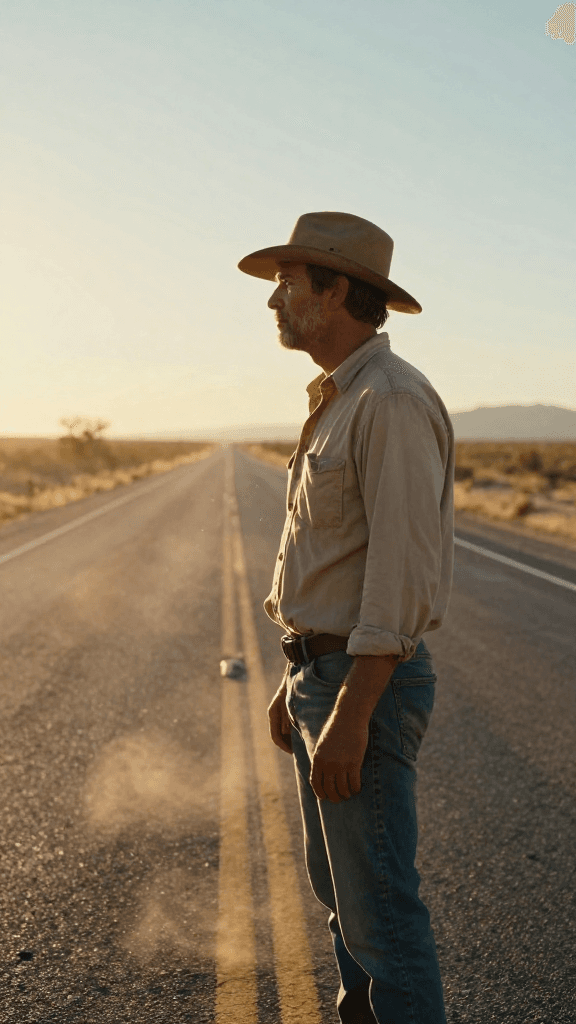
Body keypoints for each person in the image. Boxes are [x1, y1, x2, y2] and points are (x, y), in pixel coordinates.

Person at [238, 211, 454, 1024]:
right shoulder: (342, 398)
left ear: (335, 292)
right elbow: (334, 563)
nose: (274, 302)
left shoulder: (389, 402)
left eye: (287, 283)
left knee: (382, 918)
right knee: (346, 904)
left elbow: (400, 574)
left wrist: (353, 711)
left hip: (362, 688)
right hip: (322, 678)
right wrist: (296, 675)